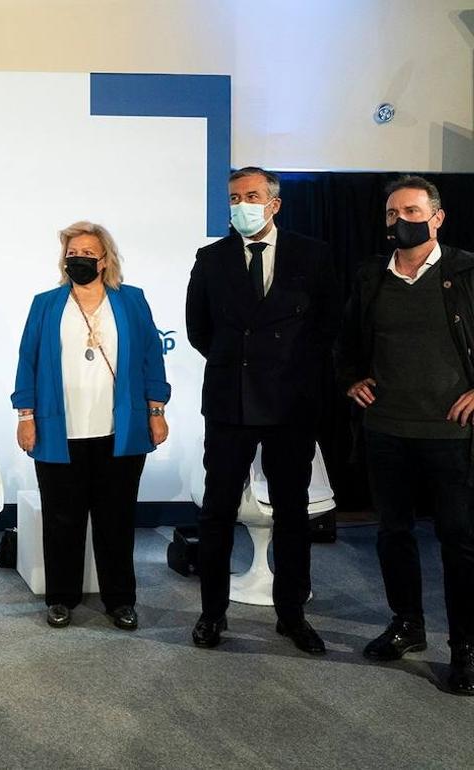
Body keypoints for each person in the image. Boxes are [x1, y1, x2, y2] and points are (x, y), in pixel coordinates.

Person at [185, 166, 340, 653]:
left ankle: (291, 614)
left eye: (250, 195)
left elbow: (328, 325)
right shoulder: (210, 258)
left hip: (291, 402)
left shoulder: (313, 254)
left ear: (273, 203)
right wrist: (240, 365)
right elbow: (198, 330)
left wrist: (289, 371)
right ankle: (213, 614)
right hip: (230, 401)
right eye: (233, 197)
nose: (240, 205)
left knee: (292, 512)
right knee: (217, 511)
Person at [337, 175, 474, 696]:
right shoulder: (372, 275)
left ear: (437, 217)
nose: (403, 221)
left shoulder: (466, 271)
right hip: (386, 429)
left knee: (460, 542)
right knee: (392, 533)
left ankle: (465, 646)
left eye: (414, 211)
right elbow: (348, 340)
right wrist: (351, 378)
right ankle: (407, 625)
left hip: (451, 434)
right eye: (394, 213)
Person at [12, 221, 170, 631]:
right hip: (57, 433)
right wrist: (25, 416)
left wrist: (157, 411)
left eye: (87, 253)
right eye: (72, 253)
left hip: (120, 433)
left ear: (105, 260)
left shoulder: (131, 301)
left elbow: (153, 356)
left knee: (115, 519)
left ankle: (120, 600)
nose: (78, 259)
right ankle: (61, 598)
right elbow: (27, 360)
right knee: (61, 520)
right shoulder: (45, 303)